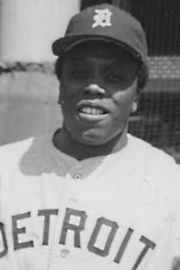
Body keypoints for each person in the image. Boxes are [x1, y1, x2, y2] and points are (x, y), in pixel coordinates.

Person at [0, 3, 179, 270]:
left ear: (136, 97)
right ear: (60, 87)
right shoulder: (5, 168)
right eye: (79, 73)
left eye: (115, 76)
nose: (94, 87)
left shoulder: (170, 187)